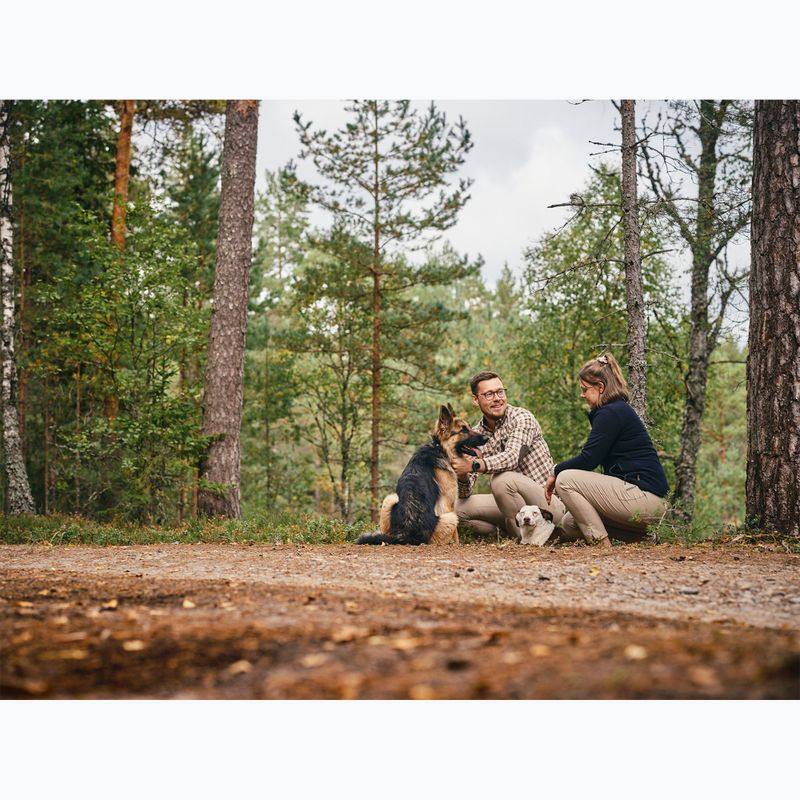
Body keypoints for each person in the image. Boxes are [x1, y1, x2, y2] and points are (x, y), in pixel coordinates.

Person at [543, 353, 669, 549]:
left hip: (645, 499)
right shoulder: (615, 410)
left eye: (585, 389)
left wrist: (555, 470)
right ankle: (644, 540)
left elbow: (588, 460)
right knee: (570, 523)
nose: (582, 394)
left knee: (565, 479)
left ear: (600, 387)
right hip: (645, 503)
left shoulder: (611, 412)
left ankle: (602, 546)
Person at [451, 371, 567, 539]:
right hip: (511, 505)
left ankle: (532, 537)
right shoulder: (477, 434)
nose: (497, 398)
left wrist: (474, 465)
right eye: (489, 394)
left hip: (546, 504)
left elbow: (512, 458)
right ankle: (505, 532)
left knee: (501, 480)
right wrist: (462, 475)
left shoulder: (522, 418)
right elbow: (464, 493)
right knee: (453, 511)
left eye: (500, 391)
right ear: (476, 400)